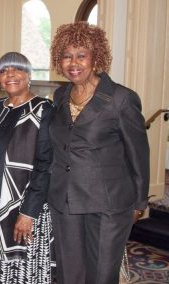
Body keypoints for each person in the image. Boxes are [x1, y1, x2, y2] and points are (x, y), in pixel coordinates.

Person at [48, 22, 150, 284]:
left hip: (108, 203)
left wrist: (140, 201)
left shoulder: (121, 98)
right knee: (69, 274)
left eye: (81, 55)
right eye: (67, 55)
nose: (74, 63)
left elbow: (138, 154)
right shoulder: (59, 95)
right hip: (65, 200)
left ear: (96, 57)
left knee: (101, 275)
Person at [0, 52, 54, 284]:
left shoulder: (44, 109)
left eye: (16, 69)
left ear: (28, 75)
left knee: (21, 271)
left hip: (22, 207)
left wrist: (28, 212)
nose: (9, 75)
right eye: (3, 71)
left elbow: (45, 165)